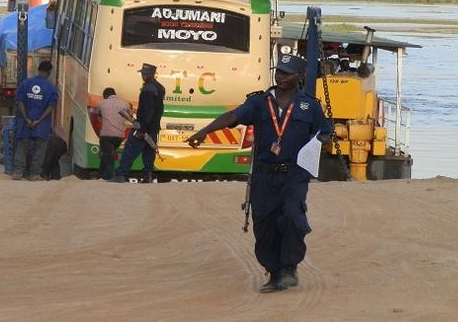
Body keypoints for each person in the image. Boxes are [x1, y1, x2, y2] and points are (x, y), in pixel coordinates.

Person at [185, 54, 332, 293]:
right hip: (264, 175)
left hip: (294, 175)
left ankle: (289, 266)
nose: (281, 76)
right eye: (279, 72)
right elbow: (232, 116)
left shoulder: (309, 105)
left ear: (300, 77)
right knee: (264, 225)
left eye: (287, 73)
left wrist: (319, 141)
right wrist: (205, 130)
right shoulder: (260, 102)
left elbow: (325, 131)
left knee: (293, 217)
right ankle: (274, 273)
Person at [110, 63, 165, 184]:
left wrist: (141, 129)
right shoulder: (160, 87)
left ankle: (121, 174)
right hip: (153, 127)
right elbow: (159, 110)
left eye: (146, 74)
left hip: (142, 126)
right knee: (149, 152)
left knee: (130, 149)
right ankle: (148, 176)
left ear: (152, 74)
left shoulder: (148, 89)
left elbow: (147, 110)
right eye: (142, 73)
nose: (143, 76)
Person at [12, 60, 58, 181]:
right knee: (39, 150)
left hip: (25, 122)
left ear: (39, 69)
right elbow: (51, 107)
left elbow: (20, 101)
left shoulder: (26, 83)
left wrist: (27, 118)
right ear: (49, 72)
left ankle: (18, 172)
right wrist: (38, 121)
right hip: (42, 125)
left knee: (22, 147)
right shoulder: (51, 88)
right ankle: (34, 174)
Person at [91, 87, 131, 180]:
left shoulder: (102, 103)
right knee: (107, 153)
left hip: (106, 136)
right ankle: (101, 174)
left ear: (105, 96)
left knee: (108, 155)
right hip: (120, 136)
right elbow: (130, 116)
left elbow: (97, 114)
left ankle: (110, 176)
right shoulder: (125, 104)